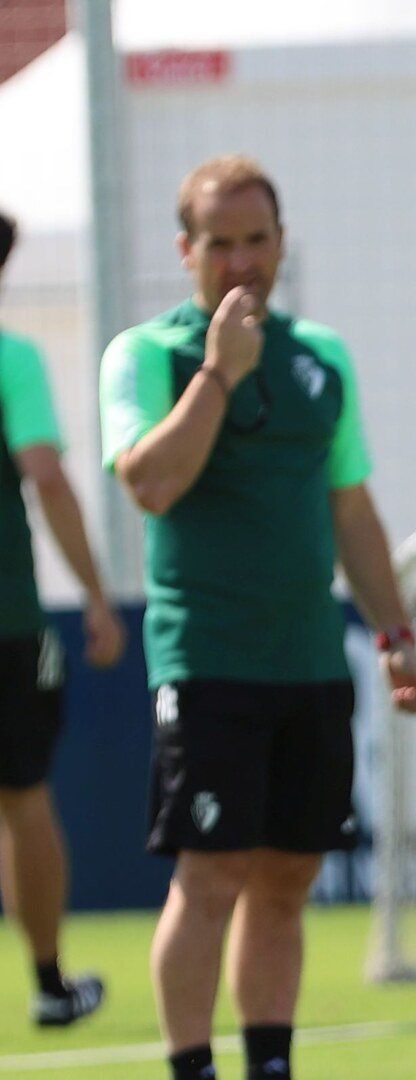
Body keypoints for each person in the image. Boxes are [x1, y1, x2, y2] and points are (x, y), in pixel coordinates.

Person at [103, 156, 416, 1080]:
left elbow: (352, 510)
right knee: (210, 874)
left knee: (289, 877)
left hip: (308, 663)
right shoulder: (146, 355)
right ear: (186, 253)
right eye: (220, 244)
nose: (242, 262)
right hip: (206, 658)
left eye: (257, 240)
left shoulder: (321, 358)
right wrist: (220, 372)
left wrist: (397, 633)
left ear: (282, 243)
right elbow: (149, 484)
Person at [0, 209, 125, 1028]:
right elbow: (45, 475)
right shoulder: (11, 359)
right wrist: (94, 592)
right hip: (6, 623)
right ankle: (49, 984)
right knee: (24, 799)